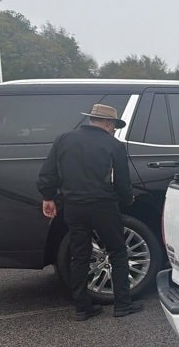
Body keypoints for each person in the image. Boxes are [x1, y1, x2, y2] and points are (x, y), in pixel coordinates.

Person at [38, 103, 144, 320]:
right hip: (104, 206)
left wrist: (48, 197)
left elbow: (48, 173)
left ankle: (82, 308)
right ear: (108, 123)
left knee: (80, 255)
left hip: (73, 206)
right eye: (113, 126)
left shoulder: (63, 140)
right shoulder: (114, 145)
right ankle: (122, 305)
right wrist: (126, 201)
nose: (113, 130)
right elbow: (123, 181)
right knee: (117, 251)